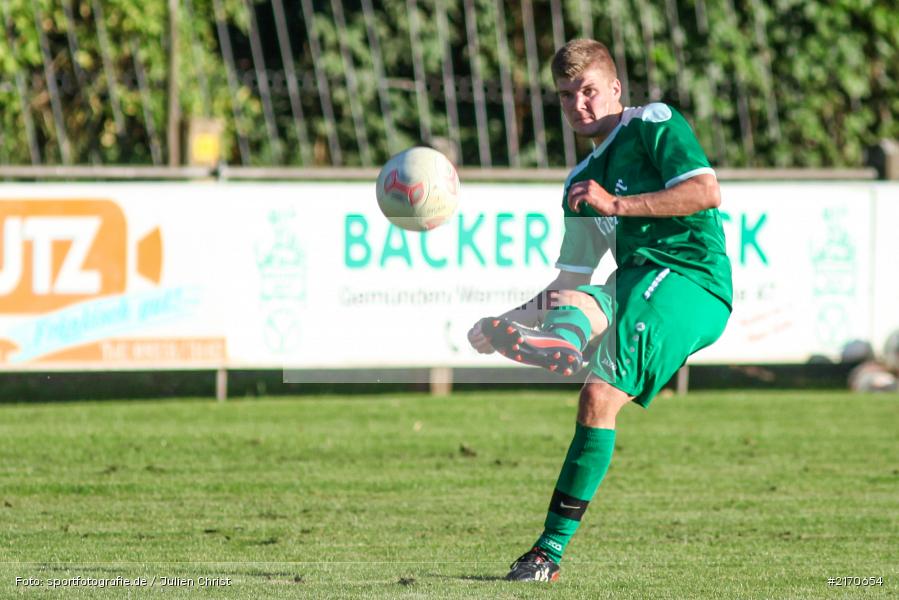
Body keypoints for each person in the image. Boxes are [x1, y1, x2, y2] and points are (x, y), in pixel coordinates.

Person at [467, 38, 733, 582]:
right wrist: (508, 323)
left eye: (588, 91)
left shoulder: (652, 122)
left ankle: (547, 551)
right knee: (582, 336)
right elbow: (568, 280)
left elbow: (706, 191)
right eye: (566, 96)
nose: (579, 105)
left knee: (599, 388)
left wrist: (616, 205)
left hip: (691, 280)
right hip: (636, 284)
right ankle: (545, 555)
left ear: (615, 88)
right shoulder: (578, 184)